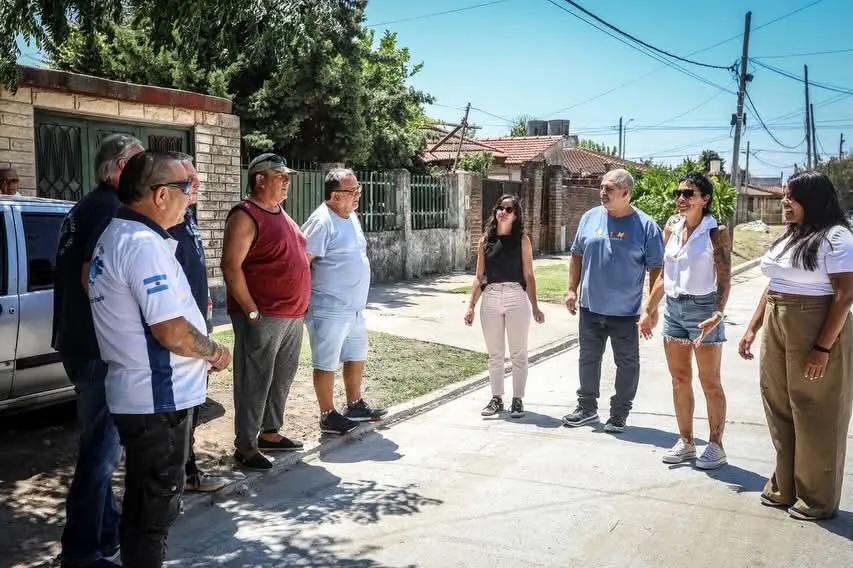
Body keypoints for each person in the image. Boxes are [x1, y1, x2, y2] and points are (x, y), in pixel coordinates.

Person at [88, 150, 231, 567]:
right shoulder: (141, 244)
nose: (194, 195)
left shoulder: (125, 235)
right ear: (161, 195)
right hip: (156, 400)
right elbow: (171, 331)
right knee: (154, 514)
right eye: (188, 188)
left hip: (145, 397)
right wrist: (217, 352)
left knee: (142, 506)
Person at [739, 171, 853, 521]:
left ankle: (817, 498)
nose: (785, 202)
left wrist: (822, 348)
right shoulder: (792, 236)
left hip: (815, 322)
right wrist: (754, 326)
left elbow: (845, 294)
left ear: (814, 200)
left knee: (817, 410)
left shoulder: (837, 238)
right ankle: (784, 486)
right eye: (785, 196)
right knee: (779, 404)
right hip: (778, 318)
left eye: (793, 197)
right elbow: (775, 282)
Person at [52, 133, 143, 568]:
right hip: (94, 346)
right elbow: (94, 279)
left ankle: (106, 532)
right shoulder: (109, 210)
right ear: (120, 167)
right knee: (100, 453)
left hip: (75, 342)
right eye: (140, 163)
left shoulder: (84, 206)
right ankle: (81, 551)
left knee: (102, 445)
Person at [221, 153, 310, 471]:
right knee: (254, 380)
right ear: (259, 179)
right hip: (263, 315)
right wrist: (251, 310)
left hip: (291, 314)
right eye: (280, 175)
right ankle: (245, 446)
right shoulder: (246, 215)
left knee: (281, 378)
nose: (287, 181)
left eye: (288, 176)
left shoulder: (282, 214)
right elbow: (231, 267)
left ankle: (269, 433)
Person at [638, 172, 732, 470]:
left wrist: (718, 313)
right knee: (680, 380)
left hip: (704, 309)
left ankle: (716, 445)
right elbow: (665, 277)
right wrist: (648, 309)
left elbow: (726, 278)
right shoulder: (672, 227)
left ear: (705, 199)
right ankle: (687, 442)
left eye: (688, 193)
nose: (681, 198)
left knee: (710, 382)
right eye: (678, 193)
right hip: (674, 310)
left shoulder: (715, 231)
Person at [562, 168, 665, 433]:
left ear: (626, 193)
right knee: (588, 359)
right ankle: (586, 408)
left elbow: (657, 268)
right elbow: (576, 254)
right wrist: (572, 290)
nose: (602, 192)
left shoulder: (645, 226)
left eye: (608, 188)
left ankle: (619, 414)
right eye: (602, 187)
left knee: (627, 364)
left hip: (626, 313)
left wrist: (651, 308)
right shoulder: (590, 218)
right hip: (590, 307)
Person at [301, 168, 387, 435]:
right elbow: (303, 263)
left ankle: (355, 404)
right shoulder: (322, 221)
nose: (358, 195)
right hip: (329, 308)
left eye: (357, 190)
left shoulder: (350, 217)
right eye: (353, 191)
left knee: (356, 355)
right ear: (335, 196)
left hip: (354, 309)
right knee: (326, 362)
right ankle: (327, 415)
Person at [167, 154, 225, 492]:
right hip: (178, 328)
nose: (197, 185)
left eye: (196, 179)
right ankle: (179, 477)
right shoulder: (167, 222)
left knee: (194, 403)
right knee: (180, 407)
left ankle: (188, 471)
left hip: (196, 321)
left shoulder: (187, 215)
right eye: (190, 181)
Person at [464, 194, 545, 418]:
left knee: (518, 352)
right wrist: (471, 306)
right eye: (500, 208)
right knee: (495, 354)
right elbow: (479, 276)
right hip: (490, 297)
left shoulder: (522, 240)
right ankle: (496, 398)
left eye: (508, 210)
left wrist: (535, 307)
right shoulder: (485, 241)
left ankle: (517, 400)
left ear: (515, 215)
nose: (502, 212)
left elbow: (529, 276)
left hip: (515, 296)